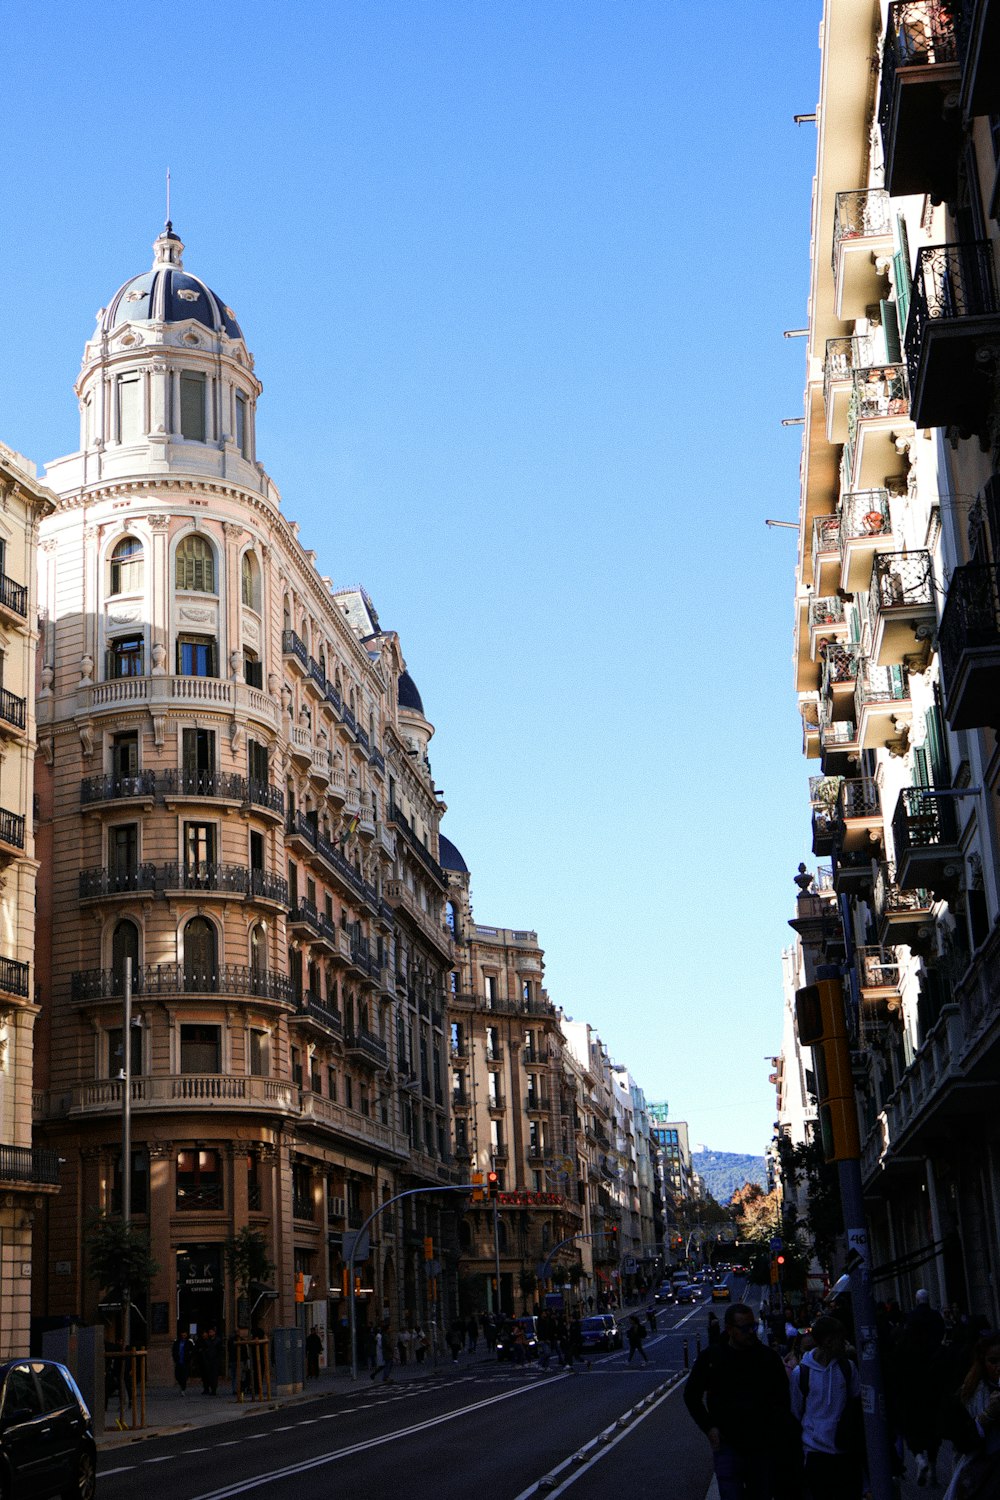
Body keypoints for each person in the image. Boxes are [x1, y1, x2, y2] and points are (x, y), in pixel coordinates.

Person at [684, 1302, 795, 1500]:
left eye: (753, 1326)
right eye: (744, 1328)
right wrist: (709, 1427)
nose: (751, 1332)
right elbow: (691, 1395)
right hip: (728, 1444)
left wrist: (777, 1434)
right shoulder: (713, 1358)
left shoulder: (767, 1358)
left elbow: (782, 1399)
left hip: (762, 1445)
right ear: (730, 1329)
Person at [790, 1314, 862, 1500]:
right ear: (828, 1341)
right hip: (815, 1452)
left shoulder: (848, 1368)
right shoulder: (801, 1373)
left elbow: (855, 1402)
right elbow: (796, 1410)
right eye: (841, 1339)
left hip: (845, 1448)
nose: (845, 1344)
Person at [938, 1331, 1000, 1500]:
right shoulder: (971, 1395)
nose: (998, 1367)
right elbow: (961, 1441)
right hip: (983, 1479)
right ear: (983, 1362)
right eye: (993, 1361)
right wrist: (987, 1415)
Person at [198, 1326, 222, 1396]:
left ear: (214, 1332)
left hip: (215, 1361)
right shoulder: (207, 1341)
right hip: (208, 1361)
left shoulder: (217, 1341)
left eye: (211, 1332)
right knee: (209, 1376)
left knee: (214, 1376)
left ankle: (214, 1390)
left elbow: (219, 1351)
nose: (210, 1333)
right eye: (209, 1332)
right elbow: (204, 1351)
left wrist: (218, 1360)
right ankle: (209, 1388)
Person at [171, 1329, 193, 1396]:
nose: (184, 1335)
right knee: (177, 1375)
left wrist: (190, 1358)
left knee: (184, 1376)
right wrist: (175, 1358)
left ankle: (183, 1389)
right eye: (182, 1333)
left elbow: (192, 1351)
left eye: (185, 1333)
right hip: (178, 1361)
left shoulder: (189, 1342)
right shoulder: (177, 1342)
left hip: (185, 1362)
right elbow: (174, 1351)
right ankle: (181, 1385)